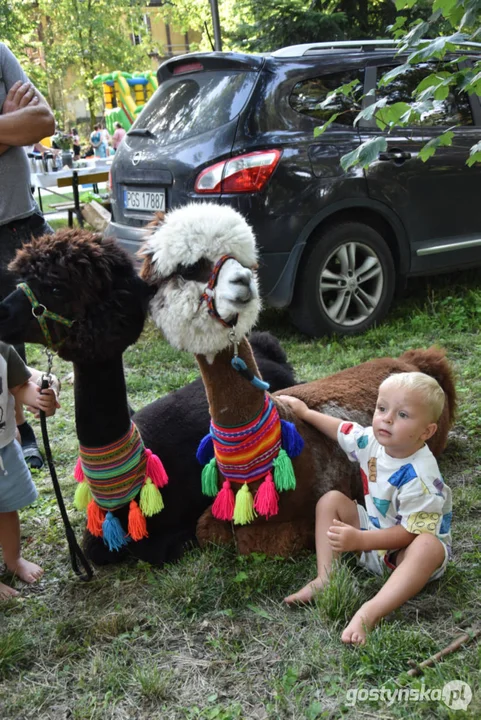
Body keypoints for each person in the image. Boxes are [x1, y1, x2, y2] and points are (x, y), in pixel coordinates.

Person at [279, 371, 452, 645]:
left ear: (427, 432)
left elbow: (409, 533)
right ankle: (326, 577)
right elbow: (343, 430)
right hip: (373, 532)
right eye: (382, 408)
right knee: (331, 501)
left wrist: (360, 539)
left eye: (403, 415)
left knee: (428, 546)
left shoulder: (421, 477)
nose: (387, 418)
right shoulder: (371, 441)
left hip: (405, 555)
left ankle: (370, 612)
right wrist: (306, 412)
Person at [0, 42, 55, 469]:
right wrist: (5, 122)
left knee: (79, 310)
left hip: (25, 223)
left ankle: (115, 419)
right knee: (3, 339)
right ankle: (19, 433)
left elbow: (41, 120)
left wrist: (19, 121)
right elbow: (21, 126)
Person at [0, 342, 60, 600]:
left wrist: (39, 397)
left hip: (3, 449)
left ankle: (14, 560)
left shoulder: (3, 352)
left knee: (7, 508)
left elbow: (19, 386)